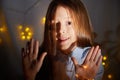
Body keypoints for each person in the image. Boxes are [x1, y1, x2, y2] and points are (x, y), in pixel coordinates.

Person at [21, 0, 104, 80]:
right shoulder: (42, 58)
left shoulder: (91, 61)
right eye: (54, 24)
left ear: (82, 23)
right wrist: (29, 77)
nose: (61, 30)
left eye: (69, 23)